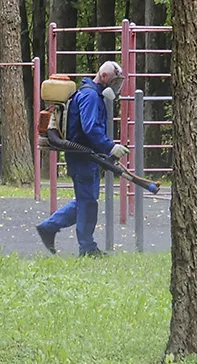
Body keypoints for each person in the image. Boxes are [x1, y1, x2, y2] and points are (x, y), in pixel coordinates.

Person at [36, 61, 129, 257]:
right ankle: (86, 247)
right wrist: (110, 146)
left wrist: (105, 152)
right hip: (81, 156)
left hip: (85, 156)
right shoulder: (90, 96)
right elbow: (90, 128)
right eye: (115, 82)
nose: (116, 87)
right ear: (104, 77)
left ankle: (49, 227)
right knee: (87, 202)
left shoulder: (91, 94)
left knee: (84, 200)